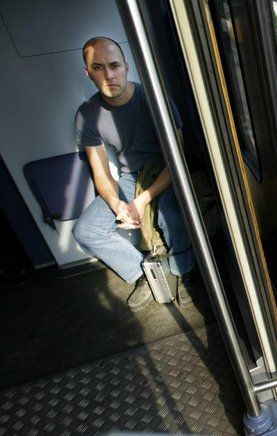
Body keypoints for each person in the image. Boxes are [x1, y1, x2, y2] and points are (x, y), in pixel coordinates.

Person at [72, 36, 197, 311]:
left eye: (114, 65)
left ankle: (184, 272)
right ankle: (144, 274)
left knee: (171, 216)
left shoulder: (156, 99)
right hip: (131, 176)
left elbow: (178, 159)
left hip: (167, 168)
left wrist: (141, 201)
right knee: (85, 230)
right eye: (98, 67)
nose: (109, 74)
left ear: (127, 67)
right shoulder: (87, 114)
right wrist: (118, 203)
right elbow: (101, 172)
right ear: (88, 72)